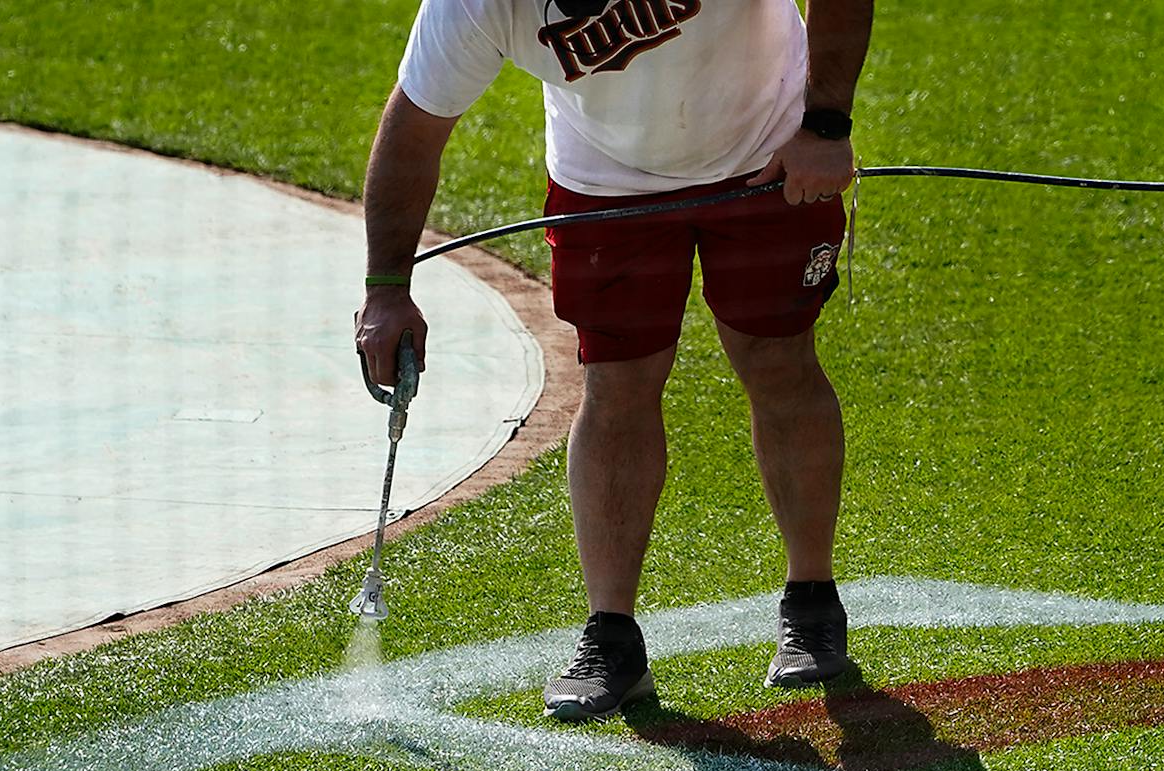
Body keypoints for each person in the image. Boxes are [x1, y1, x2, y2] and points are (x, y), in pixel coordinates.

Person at [355, 0, 874, 721]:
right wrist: (386, 289)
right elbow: (416, 125)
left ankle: (813, 603)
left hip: (768, 144)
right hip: (606, 179)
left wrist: (825, 123)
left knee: (777, 359)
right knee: (617, 382)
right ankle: (611, 636)